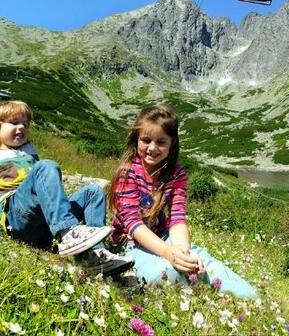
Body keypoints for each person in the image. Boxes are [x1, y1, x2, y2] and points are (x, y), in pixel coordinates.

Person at [107, 105, 257, 298]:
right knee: (166, 271)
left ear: (172, 144)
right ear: (136, 139)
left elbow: (177, 218)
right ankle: (187, 282)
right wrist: (168, 254)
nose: (152, 148)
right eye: (146, 140)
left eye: (161, 142)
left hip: (162, 237)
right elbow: (132, 223)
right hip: (128, 242)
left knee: (198, 262)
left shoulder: (177, 174)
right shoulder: (127, 172)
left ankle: (250, 296)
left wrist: (182, 253)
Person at [0, 100, 132, 274]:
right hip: (17, 218)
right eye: (14, 122)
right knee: (46, 166)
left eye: (25, 124)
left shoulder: (28, 152)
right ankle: (68, 232)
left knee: (93, 192)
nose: (21, 127)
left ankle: (95, 254)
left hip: (44, 225)